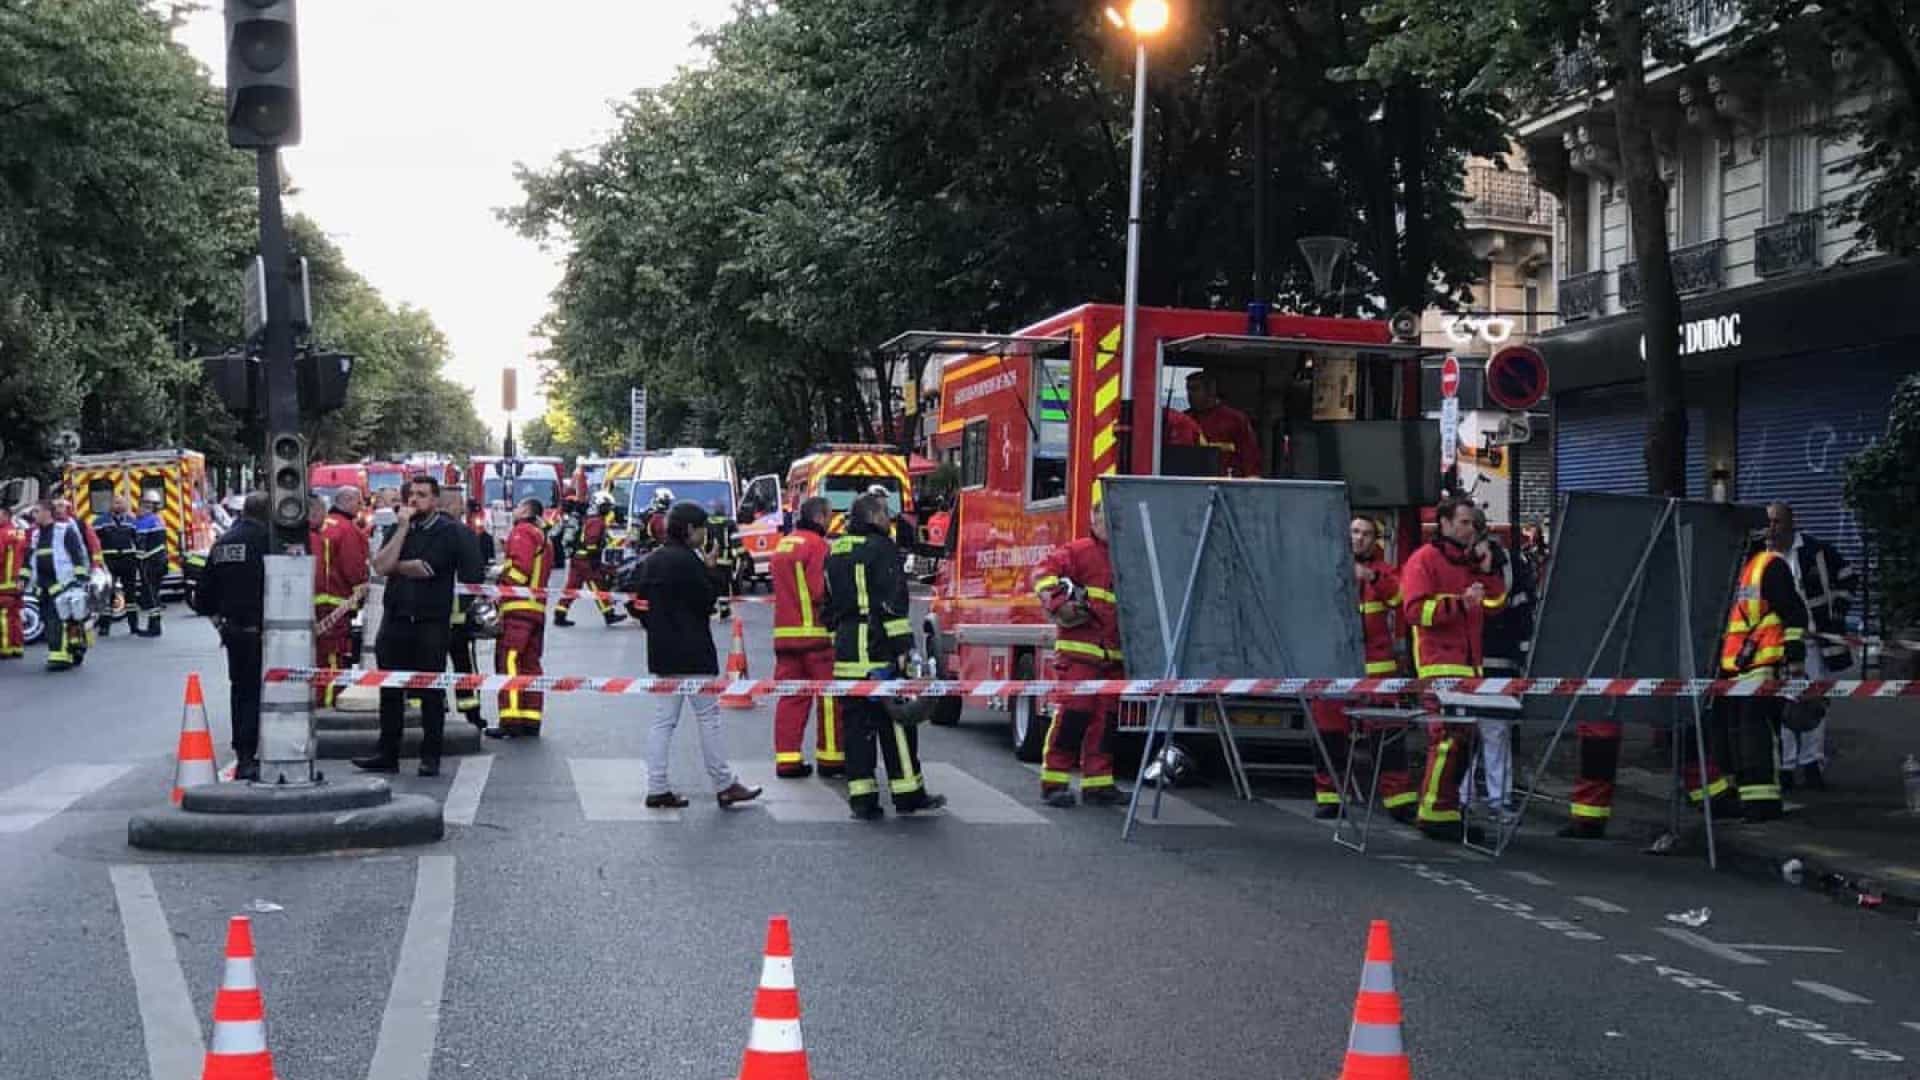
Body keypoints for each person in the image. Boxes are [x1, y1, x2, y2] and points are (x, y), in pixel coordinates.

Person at [633, 500, 762, 809]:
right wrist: (713, 569)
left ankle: (657, 786)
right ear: (690, 529)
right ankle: (724, 784)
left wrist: (657, 627)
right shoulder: (690, 562)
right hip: (694, 653)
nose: (705, 534)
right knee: (709, 718)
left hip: (662, 653)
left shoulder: (652, 561)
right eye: (702, 528)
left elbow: (637, 604)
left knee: (663, 722)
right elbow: (708, 602)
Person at [827, 493, 945, 820]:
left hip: (847, 650)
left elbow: (829, 605)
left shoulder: (835, 549)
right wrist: (905, 649)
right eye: (884, 515)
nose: (889, 521)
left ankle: (862, 800)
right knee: (896, 723)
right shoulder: (882, 549)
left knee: (856, 729)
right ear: (874, 517)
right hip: (877, 651)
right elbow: (892, 606)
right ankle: (908, 795)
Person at [1400, 496, 1507, 841]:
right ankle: (1434, 813)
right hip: (1438, 667)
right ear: (1444, 523)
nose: (1470, 529)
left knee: (1463, 741)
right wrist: (1461, 605)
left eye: (1474, 524)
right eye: (1463, 522)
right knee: (1446, 740)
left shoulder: (1471, 564)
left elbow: (1494, 605)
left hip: (1469, 669)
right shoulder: (1424, 560)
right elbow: (1416, 613)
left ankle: (1444, 809)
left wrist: (1489, 572)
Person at [354, 474, 464, 777]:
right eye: (411, 494)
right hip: (396, 619)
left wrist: (397, 566)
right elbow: (379, 566)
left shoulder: (446, 531)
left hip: (430, 622)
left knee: (430, 692)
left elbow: (425, 569)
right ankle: (387, 752)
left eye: (423, 495)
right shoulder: (397, 528)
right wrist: (402, 529)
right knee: (390, 690)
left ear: (435, 499)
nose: (415, 500)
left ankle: (431, 755)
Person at [1311, 516, 1417, 821]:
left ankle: (1398, 799)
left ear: (1376, 540)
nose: (1360, 539)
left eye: (1367, 534)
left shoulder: (1383, 571)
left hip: (1377, 669)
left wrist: (1370, 577)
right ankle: (1329, 797)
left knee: (1388, 734)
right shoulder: (1327, 568)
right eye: (1355, 532)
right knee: (1330, 735)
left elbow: (1400, 599)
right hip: (1334, 666)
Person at [1700, 534, 1810, 822]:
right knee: (1729, 736)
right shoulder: (1734, 570)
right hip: (1731, 667)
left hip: (1762, 663)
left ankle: (1764, 805)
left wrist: (1795, 656)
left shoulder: (1768, 566)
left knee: (1755, 737)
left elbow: (1795, 613)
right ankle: (1745, 800)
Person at [1032, 501, 1125, 807]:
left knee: (1106, 723)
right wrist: (1059, 604)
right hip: (1079, 656)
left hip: (1112, 658)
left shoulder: (1127, 556)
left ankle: (1098, 784)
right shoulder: (1078, 551)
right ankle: (1054, 783)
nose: (1105, 525)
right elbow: (1043, 574)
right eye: (1101, 518)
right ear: (1093, 520)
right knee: (1073, 718)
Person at [1767, 502, 1855, 791]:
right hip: (1778, 643)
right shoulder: (1763, 555)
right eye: (1769, 522)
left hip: (1814, 641)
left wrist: (1837, 612)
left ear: (1793, 522)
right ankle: (1788, 766)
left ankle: (1812, 763)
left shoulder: (1817, 551)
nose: (1773, 528)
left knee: (1814, 703)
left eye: (1778, 522)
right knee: (1786, 705)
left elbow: (1847, 576)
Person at [189, 492, 271, 780]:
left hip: (235, 632)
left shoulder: (223, 542)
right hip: (267, 632)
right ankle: (274, 752)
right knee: (274, 695)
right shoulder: (268, 541)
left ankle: (245, 757)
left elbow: (202, 598)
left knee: (242, 693)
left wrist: (222, 624)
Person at [771, 497, 842, 778]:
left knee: (791, 699)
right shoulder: (818, 546)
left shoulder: (784, 544)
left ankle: (787, 761)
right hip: (815, 636)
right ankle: (831, 759)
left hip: (785, 636)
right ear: (822, 517)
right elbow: (818, 591)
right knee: (829, 698)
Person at [489, 497, 554, 738]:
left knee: (509, 663)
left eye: (516, 507)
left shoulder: (522, 532)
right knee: (530, 665)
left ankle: (511, 720)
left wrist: (499, 579)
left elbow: (519, 571)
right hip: (536, 609)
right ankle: (530, 719)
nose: (513, 511)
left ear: (526, 510)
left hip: (517, 609)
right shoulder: (542, 536)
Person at [313, 488, 370, 710]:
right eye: (359, 501)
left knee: (318, 658)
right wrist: (362, 595)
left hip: (316, 603)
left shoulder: (321, 526)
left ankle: (318, 701)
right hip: (336, 606)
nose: (361, 507)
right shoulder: (349, 531)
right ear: (346, 501)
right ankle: (327, 706)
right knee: (333, 659)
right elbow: (354, 568)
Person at [439, 489, 489, 729]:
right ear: (451, 506)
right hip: (457, 617)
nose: (463, 510)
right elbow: (474, 573)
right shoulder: (462, 533)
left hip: (427, 616)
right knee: (463, 667)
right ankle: (472, 715)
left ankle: (435, 709)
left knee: (429, 668)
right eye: (460, 505)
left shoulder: (422, 531)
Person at [30, 501, 93, 671]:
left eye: (36, 511)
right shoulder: (35, 535)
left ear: (47, 513)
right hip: (43, 584)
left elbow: (77, 554)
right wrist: (25, 578)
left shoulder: (64, 530)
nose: (33, 515)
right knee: (49, 618)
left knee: (59, 617)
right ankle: (73, 647)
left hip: (63, 582)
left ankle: (61, 655)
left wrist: (79, 577)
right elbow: (30, 559)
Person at [554, 491, 625, 628]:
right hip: (586, 560)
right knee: (598, 586)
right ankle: (609, 614)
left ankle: (560, 614)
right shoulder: (596, 521)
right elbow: (591, 541)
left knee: (572, 587)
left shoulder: (590, 518)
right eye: (606, 506)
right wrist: (594, 557)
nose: (608, 509)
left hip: (578, 558)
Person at [1184, 371, 1262, 478]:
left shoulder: (1236, 419)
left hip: (1228, 484)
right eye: (1188, 390)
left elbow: (1250, 455)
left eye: (1195, 389)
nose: (1189, 395)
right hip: (1192, 482)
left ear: (1211, 390)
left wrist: (1252, 481)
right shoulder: (1184, 419)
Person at [92, 495, 140, 638]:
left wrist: (139, 560)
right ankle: (104, 627)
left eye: (121, 503)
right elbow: (94, 542)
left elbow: (138, 541)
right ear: (110, 505)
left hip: (128, 561)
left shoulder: (132, 521)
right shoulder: (100, 521)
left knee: (130, 595)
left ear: (126, 505)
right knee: (108, 595)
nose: (118, 505)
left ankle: (134, 626)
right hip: (109, 561)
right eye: (116, 503)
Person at [131, 491, 168, 636]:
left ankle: (154, 627)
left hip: (150, 562)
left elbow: (141, 543)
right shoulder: (157, 519)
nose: (140, 509)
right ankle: (154, 624)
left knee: (152, 595)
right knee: (153, 594)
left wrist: (139, 558)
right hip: (159, 561)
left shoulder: (146, 521)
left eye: (144, 506)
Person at [0, 506, 26, 659]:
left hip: (3, 583)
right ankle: (17, 647)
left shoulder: (2, 534)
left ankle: (4, 648)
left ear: (6, 516)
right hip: (17, 583)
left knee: (3, 616)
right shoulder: (20, 532)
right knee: (15, 616)